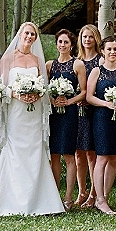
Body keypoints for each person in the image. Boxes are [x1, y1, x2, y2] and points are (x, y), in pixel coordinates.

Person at [0, 22, 65, 216]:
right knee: (15, 149)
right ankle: (10, 199)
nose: (30, 37)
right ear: (20, 34)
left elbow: (43, 87)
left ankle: (40, 199)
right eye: (27, 33)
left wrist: (37, 94)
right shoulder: (7, 59)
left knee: (34, 148)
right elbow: (0, 88)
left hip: (34, 113)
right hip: (16, 111)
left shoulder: (37, 60)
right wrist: (15, 94)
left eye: (33, 34)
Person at [87, 36, 116, 215]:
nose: (113, 52)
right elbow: (89, 97)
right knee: (102, 158)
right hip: (102, 119)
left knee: (114, 158)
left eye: (115, 49)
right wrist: (107, 104)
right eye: (109, 49)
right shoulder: (96, 71)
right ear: (102, 52)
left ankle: (105, 196)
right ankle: (99, 199)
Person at [46, 29, 87, 210]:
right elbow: (44, 89)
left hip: (70, 113)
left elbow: (84, 91)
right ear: (57, 44)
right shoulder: (49, 65)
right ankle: (54, 196)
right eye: (60, 42)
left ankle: (68, 198)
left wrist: (69, 101)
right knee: (54, 155)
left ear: (71, 45)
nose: (62, 45)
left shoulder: (77, 64)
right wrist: (53, 100)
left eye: (66, 42)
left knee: (69, 155)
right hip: (54, 114)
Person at [74, 24, 103, 208]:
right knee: (78, 153)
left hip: (94, 111)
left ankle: (94, 192)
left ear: (96, 39)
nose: (87, 40)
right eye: (85, 36)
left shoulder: (100, 61)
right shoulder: (76, 60)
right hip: (77, 111)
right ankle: (81, 191)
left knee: (91, 153)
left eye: (91, 37)